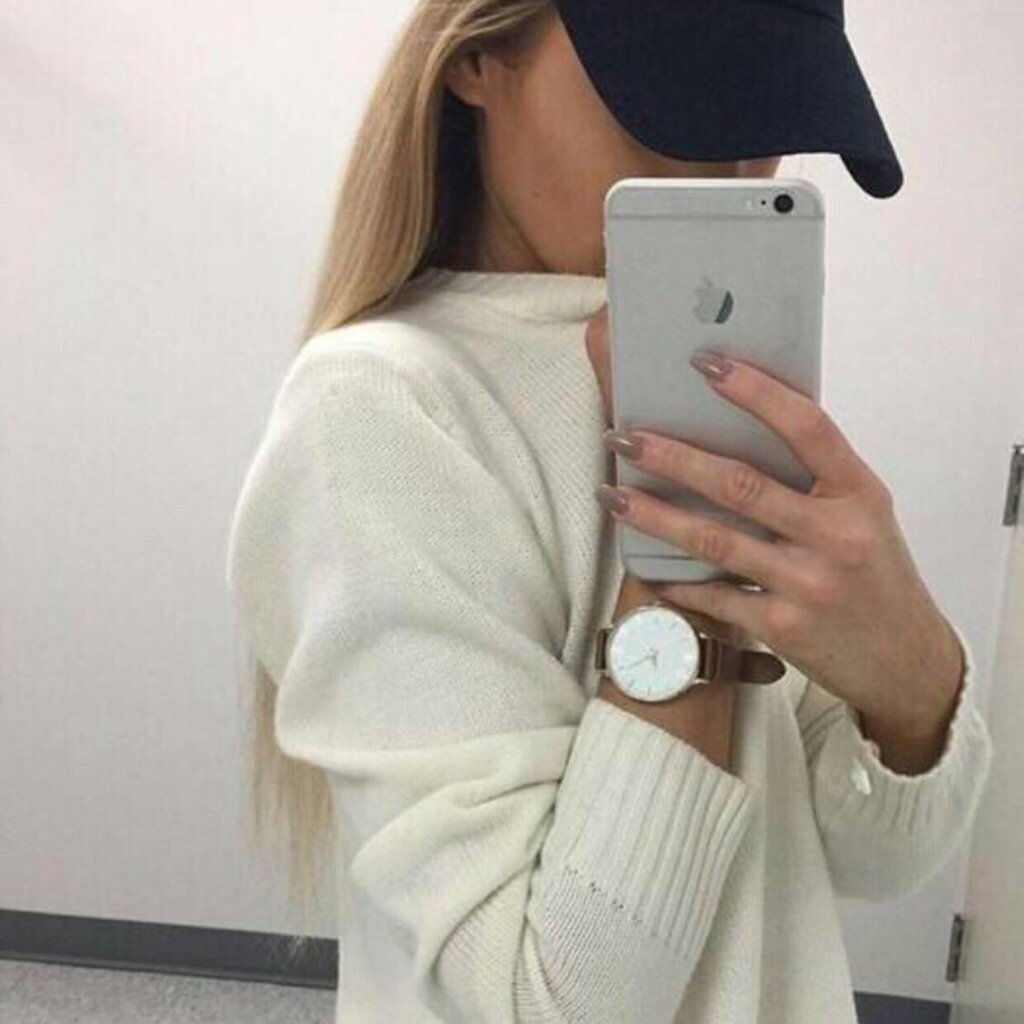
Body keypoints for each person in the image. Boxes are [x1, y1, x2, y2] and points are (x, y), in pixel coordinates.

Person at [225, 2, 994, 1021]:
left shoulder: (697, 379)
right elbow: (549, 1000)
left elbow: (875, 858)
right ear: (478, 58)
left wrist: (915, 679)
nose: (724, 173)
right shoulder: (382, 405)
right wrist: (681, 565)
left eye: (767, 119)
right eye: (677, 104)